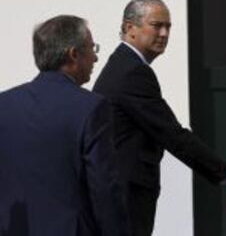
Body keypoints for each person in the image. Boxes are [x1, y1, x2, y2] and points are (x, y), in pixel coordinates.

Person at [93, 0, 226, 236]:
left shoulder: (125, 66)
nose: (165, 33)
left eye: (168, 26)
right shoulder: (131, 72)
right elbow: (172, 134)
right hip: (125, 196)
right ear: (130, 28)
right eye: (157, 25)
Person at [0, 15, 129, 236]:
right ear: (73, 54)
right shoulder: (92, 108)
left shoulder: (4, 104)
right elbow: (104, 188)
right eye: (92, 48)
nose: (96, 58)